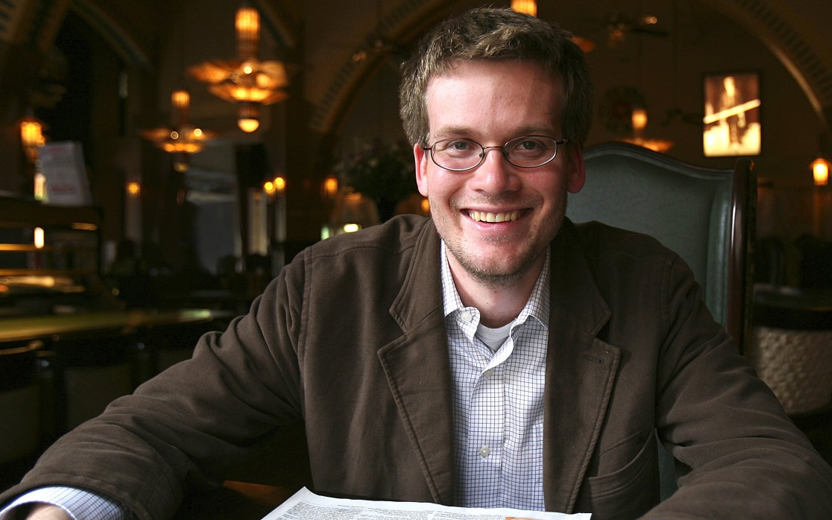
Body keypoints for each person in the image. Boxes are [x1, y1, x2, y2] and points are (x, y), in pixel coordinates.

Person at [3, 7, 832, 520]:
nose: (494, 180)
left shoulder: (647, 285)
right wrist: (63, 514)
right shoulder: (327, 289)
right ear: (422, 167)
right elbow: (151, 428)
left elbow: (769, 463)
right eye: (460, 146)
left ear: (573, 165)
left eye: (531, 145)